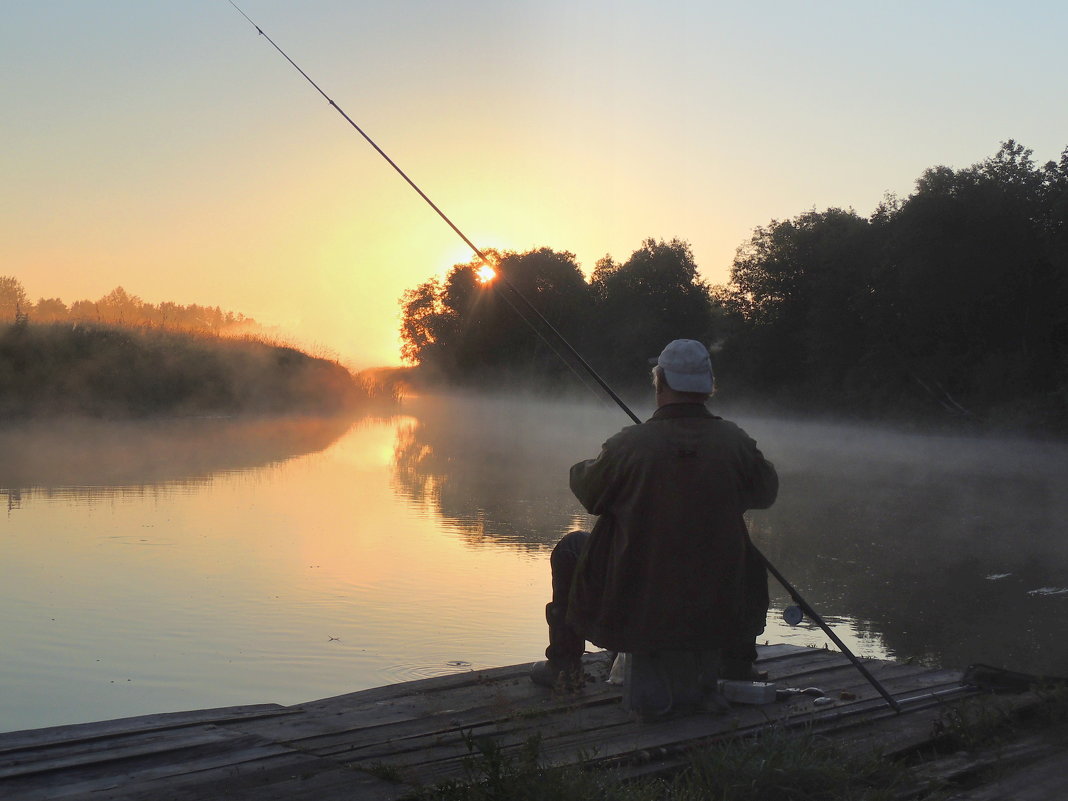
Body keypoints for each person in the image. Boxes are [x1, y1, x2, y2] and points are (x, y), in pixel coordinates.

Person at [531, 339, 778, 698]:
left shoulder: (630, 445)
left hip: (639, 599)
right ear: (709, 385)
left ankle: (565, 667)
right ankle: (737, 662)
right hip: (716, 601)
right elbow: (765, 492)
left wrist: (587, 465)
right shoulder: (735, 442)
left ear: (660, 382)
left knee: (571, 548)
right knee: (743, 551)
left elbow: (589, 492)